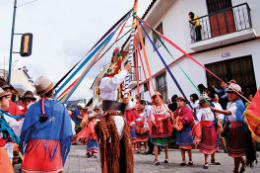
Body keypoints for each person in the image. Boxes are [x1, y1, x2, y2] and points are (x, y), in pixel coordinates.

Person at [19, 75, 73, 173]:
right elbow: (67, 132)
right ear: (52, 91)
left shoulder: (31, 108)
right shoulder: (60, 107)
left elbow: (24, 131)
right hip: (52, 150)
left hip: (33, 149)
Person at [94, 48, 134, 173]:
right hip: (110, 119)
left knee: (124, 149)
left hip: (121, 119)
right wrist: (125, 71)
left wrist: (127, 103)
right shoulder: (104, 81)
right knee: (111, 150)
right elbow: (114, 83)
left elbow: (131, 105)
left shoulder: (122, 85)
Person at [211, 83, 257, 173]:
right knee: (234, 152)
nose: (230, 94)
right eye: (229, 92)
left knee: (236, 152)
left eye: (232, 92)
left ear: (237, 94)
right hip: (233, 129)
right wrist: (225, 127)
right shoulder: (230, 103)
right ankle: (242, 163)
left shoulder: (239, 104)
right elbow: (229, 118)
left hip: (239, 130)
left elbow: (229, 113)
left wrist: (216, 110)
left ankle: (237, 169)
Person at [0, 87, 24, 172]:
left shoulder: (4, 116)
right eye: (5, 98)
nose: (8, 100)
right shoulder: (4, 117)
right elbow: (17, 129)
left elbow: (17, 127)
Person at [197, 94, 221, 169]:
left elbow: (216, 116)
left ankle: (213, 159)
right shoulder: (201, 110)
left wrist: (218, 123)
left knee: (213, 142)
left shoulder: (211, 108)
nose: (208, 102)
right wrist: (194, 114)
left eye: (209, 101)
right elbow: (197, 118)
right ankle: (206, 161)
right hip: (206, 129)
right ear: (202, 102)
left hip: (213, 127)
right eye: (206, 101)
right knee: (206, 143)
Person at [149, 92, 173, 165]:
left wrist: (162, 119)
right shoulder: (152, 108)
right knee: (156, 143)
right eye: (155, 97)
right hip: (155, 127)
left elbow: (168, 115)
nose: (157, 99)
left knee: (165, 143)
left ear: (161, 98)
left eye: (158, 97)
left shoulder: (165, 106)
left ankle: (166, 157)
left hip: (164, 125)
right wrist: (155, 124)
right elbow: (151, 117)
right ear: (153, 99)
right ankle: (156, 159)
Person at [174, 96, 194, 166]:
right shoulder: (177, 110)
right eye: (178, 101)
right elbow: (174, 117)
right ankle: (183, 159)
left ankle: (190, 159)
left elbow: (190, 118)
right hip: (179, 129)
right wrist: (176, 120)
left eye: (181, 101)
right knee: (181, 146)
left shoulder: (187, 109)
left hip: (186, 129)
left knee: (188, 146)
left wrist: (181, 119)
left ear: (185, 102)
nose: (179, 103)